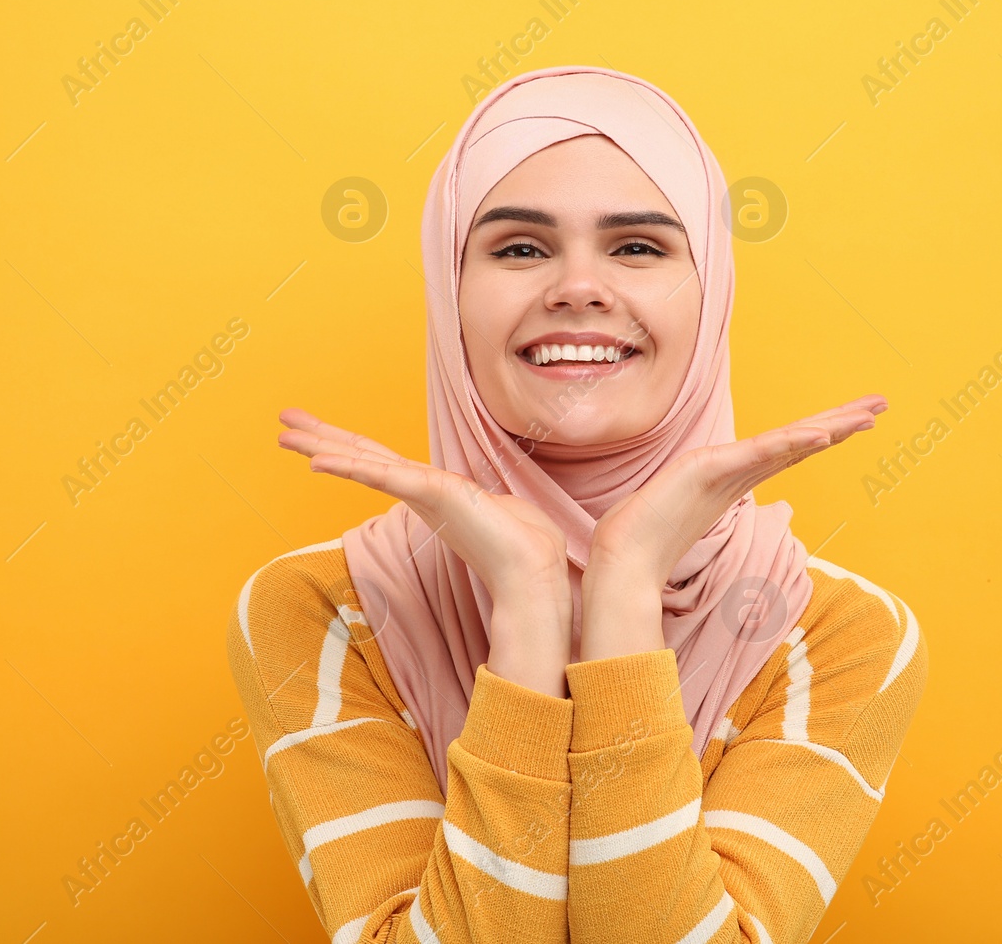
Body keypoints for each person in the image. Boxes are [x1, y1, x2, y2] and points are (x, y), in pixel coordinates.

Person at [227, 65, 927, 943]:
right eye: (520, 247)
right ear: (449, 294)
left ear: (710, 294)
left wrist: (625, 584)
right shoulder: (322, 613)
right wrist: (527, 603)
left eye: (638, 247)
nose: (578, 287)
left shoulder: (837, 636)